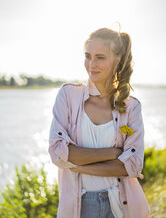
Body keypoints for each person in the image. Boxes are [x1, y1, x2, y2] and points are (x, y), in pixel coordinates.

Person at [48, 27, 150, 218]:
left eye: (100, 57)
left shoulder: (131, 107)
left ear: (117, 60)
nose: (91, 64)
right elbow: (58, 153)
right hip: (81, 205)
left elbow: (132, 166)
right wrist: (112, 153)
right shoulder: (68, 96)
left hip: (120, 205)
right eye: (88, 56)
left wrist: (78, 166)